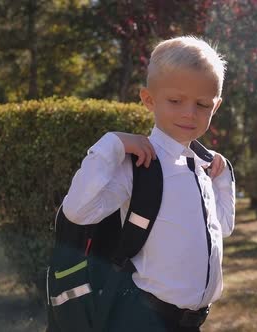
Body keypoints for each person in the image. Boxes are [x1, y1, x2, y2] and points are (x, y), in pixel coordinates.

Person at [62, 35, 235, 332]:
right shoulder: (141, 165)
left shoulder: (200, 168)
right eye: (175, 101)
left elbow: (223, 227)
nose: (189, 113)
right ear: (148, 100)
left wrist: (221, 179)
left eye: (202, 104)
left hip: (192, 323)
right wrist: (112, 144)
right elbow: (78, 211)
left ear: (215, 106)